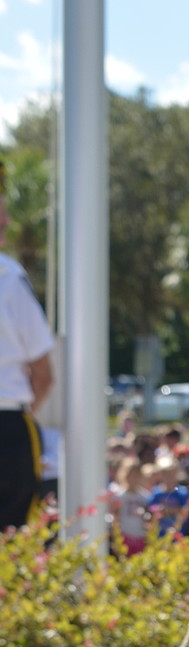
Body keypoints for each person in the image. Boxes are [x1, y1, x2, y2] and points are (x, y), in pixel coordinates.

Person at [0, 170, 54, 531]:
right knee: (12, 542)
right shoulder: (7, 277)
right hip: (8, 427)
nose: (6, 220)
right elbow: (43, 374)